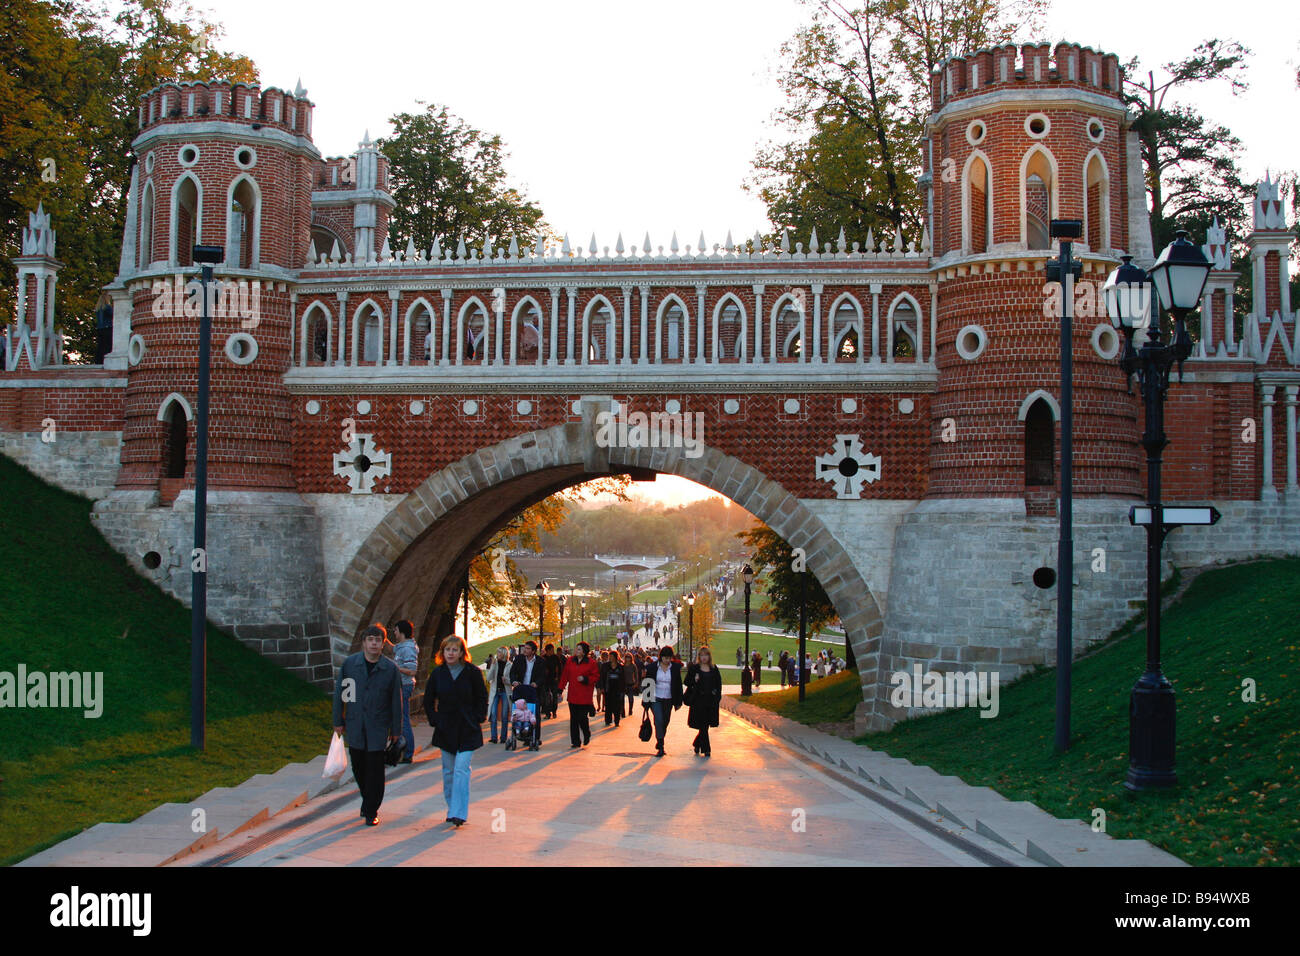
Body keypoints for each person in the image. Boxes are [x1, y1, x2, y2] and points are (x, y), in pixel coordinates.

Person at [332, 623, 402, 826]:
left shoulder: (390, 669)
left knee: (375, 771)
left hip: (378, 727)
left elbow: (395, 702)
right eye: (370, 640)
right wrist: (338, 720)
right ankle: (367, 799)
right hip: (355, 725)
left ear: (382, 644)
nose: (374, 644)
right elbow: (343, 695)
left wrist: (395, 729)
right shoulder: (350, 665)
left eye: (378, 640)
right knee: (359, 768)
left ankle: (372, 810)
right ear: (363, 643)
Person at [423, 634, 486, 828]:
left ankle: (460, 812)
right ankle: (452, 807)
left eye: (454, 650)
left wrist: (478, 718)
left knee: (461, 769)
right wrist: (434, 719)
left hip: (467, 728)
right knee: (449, 771)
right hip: (446, 728)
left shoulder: (472, 673)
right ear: (442, 652)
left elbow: (481, 697)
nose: (450, 653)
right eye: (447, 650)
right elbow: (428, 698)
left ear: (461, 653)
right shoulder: (438, 674)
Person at [559, 641, 600, 747]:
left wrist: (586, 679)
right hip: (572, 694)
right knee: (573, 719)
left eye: (579, 649)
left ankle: (586, 733)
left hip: (584, 695)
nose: (577, 651)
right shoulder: (570, 661)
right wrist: (560, 689)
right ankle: (575, 741)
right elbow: (565, 675)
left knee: (582, 718)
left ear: (584, 651)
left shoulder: (591, 663)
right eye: (576, 649)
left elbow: (595, 677)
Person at [391, 619, 419, 763]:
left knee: (404, 719)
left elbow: (412, 670)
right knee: (400, 718)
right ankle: (403, 751)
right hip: (401, 685)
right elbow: (395, 649)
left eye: (395, 630)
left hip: (405, 685)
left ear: (401, 632)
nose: (394, 633)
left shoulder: (408, 649)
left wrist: (396, 668)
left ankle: (408, 753)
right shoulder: (403, 646)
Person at [647, 645, 683, 757]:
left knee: (665, 721)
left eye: (669, 658)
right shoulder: (653, 667)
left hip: (668, 698)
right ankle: (661, 746)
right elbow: (648, 683)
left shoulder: (675, 668)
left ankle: (660, 739)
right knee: (658, 720)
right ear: (661, 657)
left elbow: (678, 685)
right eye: (665, 658)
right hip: (656, 697)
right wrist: (646, 701)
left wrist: (678, 702)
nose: (667, 660)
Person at [685, 648, 721, 757]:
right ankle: (706, 749)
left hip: (710, 701)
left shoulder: (713, 669)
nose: (704, 657)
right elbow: (686, 682)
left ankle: (697, 743)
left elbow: (718, 685)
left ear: (709, 656)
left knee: (705, 726)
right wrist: (694, 680)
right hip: (698, 701)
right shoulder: (695, 668)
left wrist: (717, 698)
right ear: (699, 657)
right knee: (703, 725)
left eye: (706, 655)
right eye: (702, 655)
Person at [509, 640, 546, 745]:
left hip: (533, 690)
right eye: (525, 648)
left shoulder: (540, 661)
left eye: (528, 648)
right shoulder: (519, 659)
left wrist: (536, 683)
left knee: (534, 714)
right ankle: (521, 734)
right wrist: (514, 681)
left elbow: (542, 676)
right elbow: (513, 672)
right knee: (519, 714)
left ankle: (535, 737)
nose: (525, 650)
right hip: (521, 690)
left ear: (533, 651)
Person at [485, 646, 511, 744]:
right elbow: (488, 678)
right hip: (495, 691)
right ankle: (494, 737)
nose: (498, 654)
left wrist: (506, 680)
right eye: (497, 652)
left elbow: (512, 680)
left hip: (505, 691)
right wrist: (492, 666)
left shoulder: (509, 665)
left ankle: (503, 737)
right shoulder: (495, 664)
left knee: (504, 714)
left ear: (504, 654)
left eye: (499, 653)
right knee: (493, 713)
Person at [601, 648, 626, 727]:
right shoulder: (605, 666)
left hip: (617, 689)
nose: (610, 658)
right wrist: (601, 687)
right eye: (609, 656)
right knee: (608, 705)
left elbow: (623, 679)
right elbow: (602, 677)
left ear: (615, 657)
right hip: (608, 688)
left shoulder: (620, 667)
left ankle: (616, 721)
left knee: (617, 706)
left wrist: (623, 689)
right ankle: (608, 720)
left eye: (611, 656)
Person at [542, 643, 562, 719]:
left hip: (554, 680)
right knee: (547, 697)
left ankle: (554, 712)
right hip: (546, 681)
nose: (553, 651)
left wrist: (558, 677)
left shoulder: (555, 658)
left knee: (554, 697)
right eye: (551, 650)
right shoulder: (543, 658)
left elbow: (559, 668)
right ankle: (547, 713)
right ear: (547, 650)